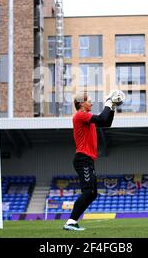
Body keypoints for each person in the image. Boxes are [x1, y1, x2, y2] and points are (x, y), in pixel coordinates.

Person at [63, 91, 122, 231]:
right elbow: (102, 119)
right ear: (81, 104)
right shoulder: (81, 115)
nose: (92, 102)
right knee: (88, 191)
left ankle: (72, 221)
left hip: (87, 159)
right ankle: (70, 222)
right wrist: (108, 102)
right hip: (83, 158)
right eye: (89, 101)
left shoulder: (86, 117)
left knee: (93, 193)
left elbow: (106, 122)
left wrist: (112, 106)